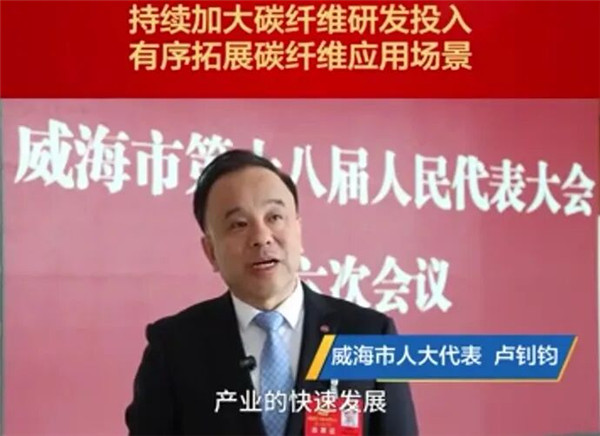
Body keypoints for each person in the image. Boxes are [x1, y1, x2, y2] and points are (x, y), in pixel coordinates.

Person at [125, 149, 418, 435]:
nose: (261, 237)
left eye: (275, 217)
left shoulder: (369, 334)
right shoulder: (174, 347)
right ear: (211, 251)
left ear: (298, 230)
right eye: (239, 224)